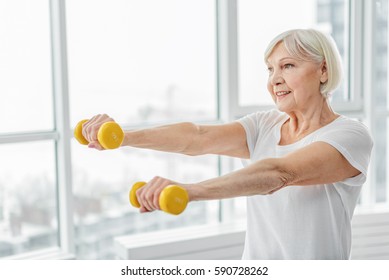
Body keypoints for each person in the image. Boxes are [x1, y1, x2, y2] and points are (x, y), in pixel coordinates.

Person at [81, 29, 373, 259]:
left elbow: (279, 173)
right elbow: (197, 137)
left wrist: (191, 191)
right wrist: (123, 136)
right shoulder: (265, 125)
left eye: (287, 66)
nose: (275, 80)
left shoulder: (350, 135)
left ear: (323, 71)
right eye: (270, 69)